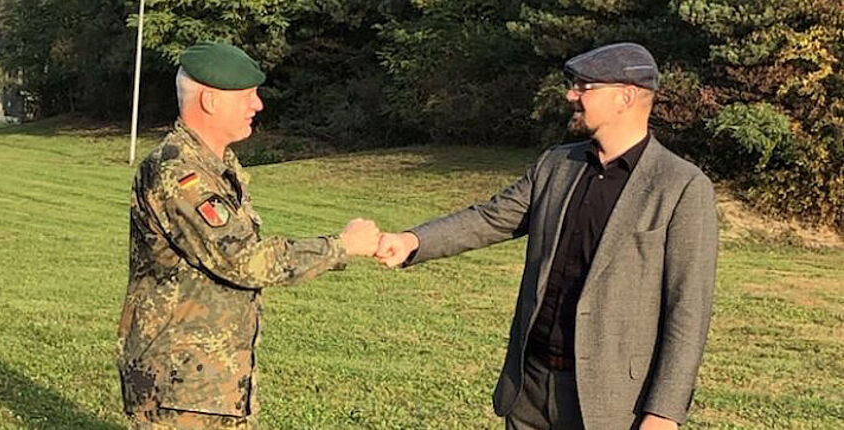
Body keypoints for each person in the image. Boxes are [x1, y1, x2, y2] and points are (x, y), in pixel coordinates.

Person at [376, 42, 718, 430]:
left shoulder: (681, 186)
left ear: (625, 97)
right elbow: (490, 218)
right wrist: (411, 241)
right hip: (529, 388)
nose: (572, 95)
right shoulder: (557, 164)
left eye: (585, 88)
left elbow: (688, 310)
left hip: (612, 405)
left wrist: (664, 413)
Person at [117, 41, 380, 429]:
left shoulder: (214, 166)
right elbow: (244, 261)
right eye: (247, 95)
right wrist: (342, 245)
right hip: (179, 388)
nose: (257, 105)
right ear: (208, 101)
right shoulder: (178, 174)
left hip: (209, 383)